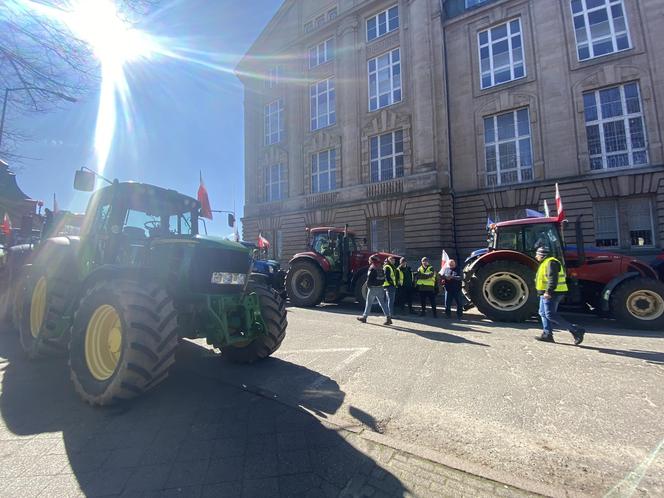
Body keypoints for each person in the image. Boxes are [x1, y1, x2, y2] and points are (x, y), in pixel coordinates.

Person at [535, 246, 585, 344]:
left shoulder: (551, 263)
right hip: (545, 293)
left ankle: (575, 330)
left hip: (552, 293)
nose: (536, 256)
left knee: (550, 314)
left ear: (542, 255)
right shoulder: (545, 263)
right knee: (542, 313)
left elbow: (553, 279)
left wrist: (548, 291)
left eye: (537, 254)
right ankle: (547, 334)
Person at [357, 254, 392, 325]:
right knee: (383, 303)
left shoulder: (372, 267)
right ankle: (388, 318)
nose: (368, 261)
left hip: (373, 288)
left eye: (370, 260)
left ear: (372, 261)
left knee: (368, 303)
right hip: (380, 287)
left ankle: (364, 317)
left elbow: (369, 278)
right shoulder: (381, 267)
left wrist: (368, 286)